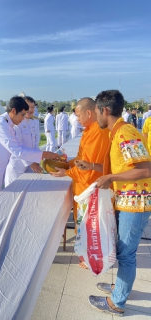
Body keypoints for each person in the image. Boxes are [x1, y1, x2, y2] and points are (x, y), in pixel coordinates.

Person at [76, 90, 151, 317]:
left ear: (104, 110)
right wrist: (94, 168)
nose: (97, 116)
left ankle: (117, 302)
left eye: (97, 111)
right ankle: (120, 287)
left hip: (136, 204)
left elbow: (145, 169)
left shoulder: (124, 132)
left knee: (126, 255)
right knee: (122, 252)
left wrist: (110, 178)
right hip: (127, 202)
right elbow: (122, 167)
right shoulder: (116, 131)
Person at [50, 98, 110, 267]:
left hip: (91, 187)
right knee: (83, 223)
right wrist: (67, 163)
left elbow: (88, 167)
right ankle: (87, 253)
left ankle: (90, 257)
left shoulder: (98, 131)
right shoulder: (89, 130)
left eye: (78, 115)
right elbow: (82, 158)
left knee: (89, 224)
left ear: (89, 113)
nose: (76, 119)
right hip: (83, 186)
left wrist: (67, 172)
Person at [0, 96, 60, 207]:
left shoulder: (7, 124)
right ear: (13, 111)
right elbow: (18, 151)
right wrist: (44, 154)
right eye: (22, 114)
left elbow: (20, 147)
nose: (24, 118)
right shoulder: (0, 125)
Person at [5, 96, 42, 187]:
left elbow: (35, 143)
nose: (30, 110)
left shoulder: (34, 122)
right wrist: (31, 163)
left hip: (30, 166)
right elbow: (19, 146)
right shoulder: (17, 122)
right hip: (17, 167)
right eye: (28, 107)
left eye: (32, 107)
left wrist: (38, 158)